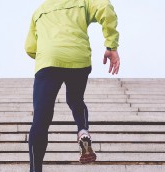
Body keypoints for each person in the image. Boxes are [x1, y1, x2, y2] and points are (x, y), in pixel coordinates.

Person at [25, 0, 120, 171]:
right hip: (78, 57)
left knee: (41, 118)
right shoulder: (82, 2)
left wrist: (48, 51)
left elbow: (30, 48)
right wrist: (111, 45)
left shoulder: (39, 11)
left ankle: (35, 169)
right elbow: (105, 7)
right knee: (76, 99)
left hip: (49, 60)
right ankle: (83, 130)